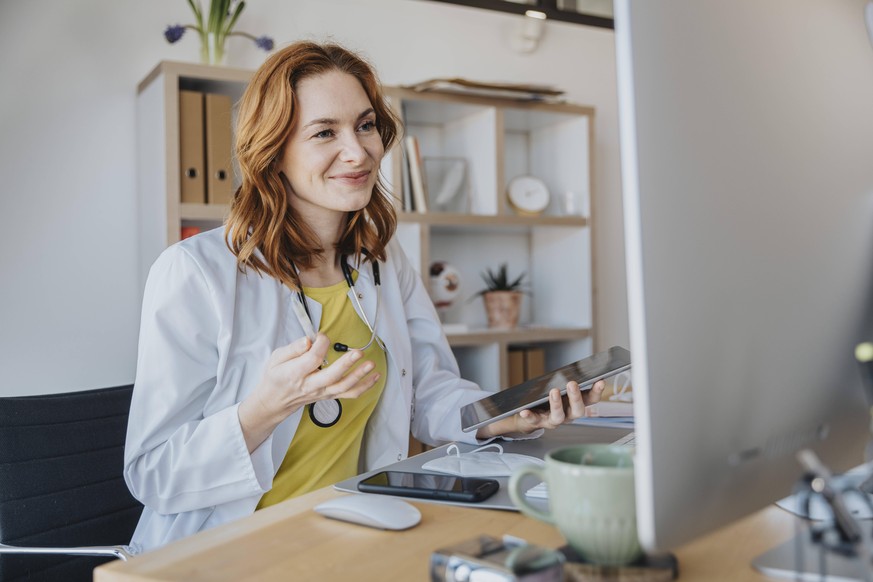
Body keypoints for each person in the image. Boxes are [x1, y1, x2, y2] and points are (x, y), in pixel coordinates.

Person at [123, 40, 604, 554]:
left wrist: (500, 417)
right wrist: (265, 407)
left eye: (366, 125)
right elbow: (152, 473)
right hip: (228, 550)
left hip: (350, 531)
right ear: (274, 150)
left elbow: (428, 392)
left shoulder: (381, 262)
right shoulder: (196, 273)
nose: (357, 151)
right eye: (325, 132)